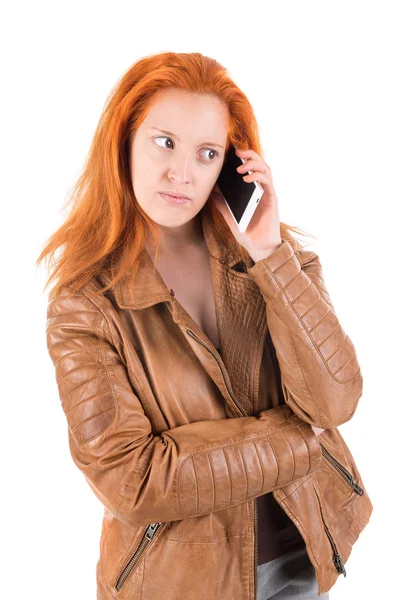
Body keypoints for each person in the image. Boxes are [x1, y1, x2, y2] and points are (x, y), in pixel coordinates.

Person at [37, 51, 373, 600]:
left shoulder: (276, 260)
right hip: (177, 583)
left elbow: (334, 403)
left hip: (303, 558)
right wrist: (299, 442)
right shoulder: (83, 304)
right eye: (164, 142)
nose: (181, 173)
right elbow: (135, 479)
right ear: (123, 141)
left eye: (207, 153)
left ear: (232, 164)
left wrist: (268, 253)